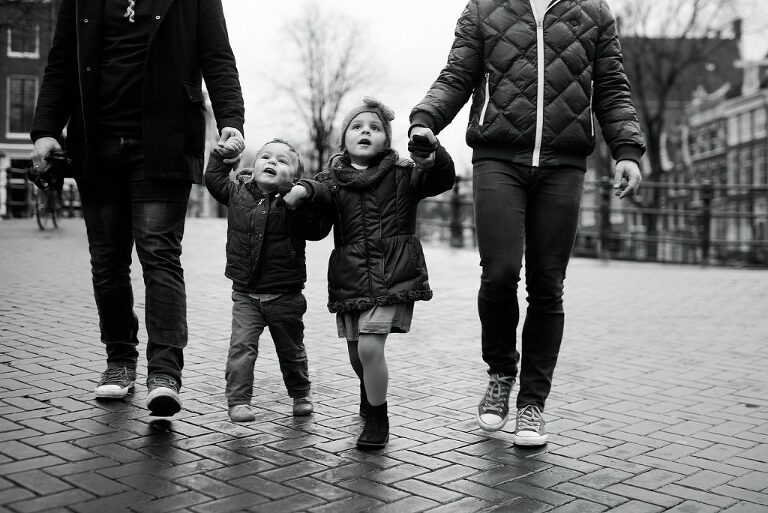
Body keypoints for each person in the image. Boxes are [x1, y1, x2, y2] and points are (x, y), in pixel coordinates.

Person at [409, 0, 646, 446]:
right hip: (499, 157)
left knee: (546, 284)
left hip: (565, 164)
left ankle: (533, 403)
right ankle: (501, 373)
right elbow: (457, 74)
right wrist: (426, 121)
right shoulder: (484, 9)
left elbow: (611, 88)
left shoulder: (594, 13)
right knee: (498, 272)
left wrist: (627, 151)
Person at [30, 0, 245, 417]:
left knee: (160, 257)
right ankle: (119, 361)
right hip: (97, 142)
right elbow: (60, 63)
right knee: (107, 262)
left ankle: (164, 373)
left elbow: (218, 57)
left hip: (164, 140)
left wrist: (231, 119)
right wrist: (45, 130)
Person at [293, 97, 456, 449]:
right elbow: (318, 228)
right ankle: (369, 398)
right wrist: (301, 204)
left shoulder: (403, 174)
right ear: (344, 139)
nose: (365, 131)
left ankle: (378, 418)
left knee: (369, 347)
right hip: (351, 276)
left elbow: (442, 177)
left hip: (393, 273)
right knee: (358, 355)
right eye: (357, 126)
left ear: (386, 139)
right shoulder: (330, 183)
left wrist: (433, 151)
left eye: (375, 128)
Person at [205, 138, 328, 422]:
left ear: (295, 177)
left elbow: (318, 229)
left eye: (282, 161)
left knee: (291, 351)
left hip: (285, 295)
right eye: (266, 157)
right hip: (246, 294)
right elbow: (213, 179)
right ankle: (238, 401)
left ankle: (301, 394)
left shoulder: (294, 202)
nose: (272, 162)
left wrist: (301, 197)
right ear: (254, 163)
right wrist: (220, 158)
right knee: (241, 347)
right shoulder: (238, 192)